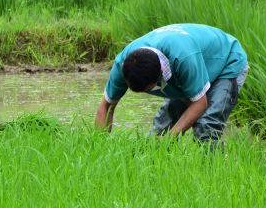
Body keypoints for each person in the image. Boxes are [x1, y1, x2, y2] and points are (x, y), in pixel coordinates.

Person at [95, 23, 248, 141]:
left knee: (207, 125)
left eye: (149, 90)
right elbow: (106, 105)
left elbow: (200, 103)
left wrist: (169, 139)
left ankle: (211, 173)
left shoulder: (183, 59)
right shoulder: (123, 64)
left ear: (160, 76)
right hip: (190, 64)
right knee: (160, 130)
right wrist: (100, 146)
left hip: (225, 60)